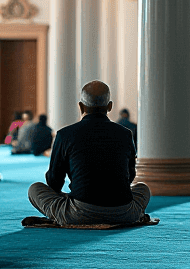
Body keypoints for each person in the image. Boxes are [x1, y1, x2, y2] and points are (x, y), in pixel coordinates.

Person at [28, 81, 150, 225]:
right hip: (125, 213)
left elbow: (54, 182)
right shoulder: (125, 134)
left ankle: (71, 211)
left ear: (81, 106)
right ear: (110, 106)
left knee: (34, 189)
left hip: (79, 214)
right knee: (143, 189)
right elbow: (130, 176)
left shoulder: (65, 135)